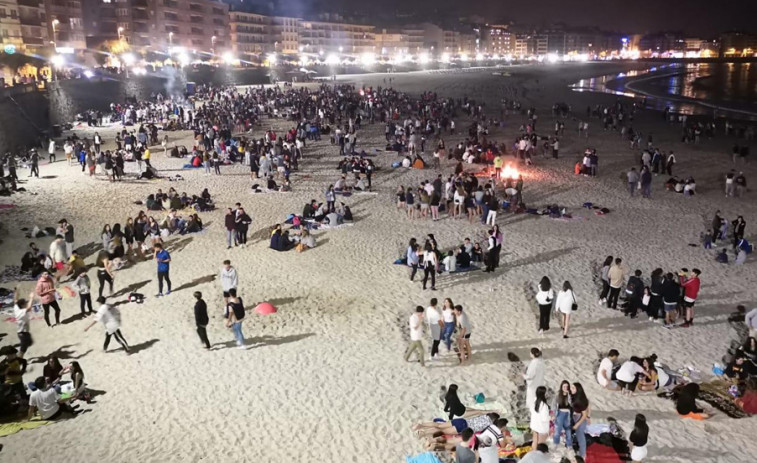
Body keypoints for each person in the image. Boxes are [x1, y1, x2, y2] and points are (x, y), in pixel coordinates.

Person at [571, 382, 590, 459]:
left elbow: (584, 414)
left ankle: (583, 454)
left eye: (573, 388)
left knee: (580, 436)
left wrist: (577, 424)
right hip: (574, 416)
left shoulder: (581, 401)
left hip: (580, 418)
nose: (571, 389)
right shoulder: (574, 396)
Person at [13, 290, 35, 356]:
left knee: (30, 342)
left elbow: (15, 300)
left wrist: (16, 293)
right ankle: (18, 358)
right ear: (22, 305)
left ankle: (19, 354)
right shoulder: (21, 312)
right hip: (22, 333)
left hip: (25, 332)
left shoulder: (16, 307)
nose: (26, 303)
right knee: (23, 350)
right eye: (25, 303)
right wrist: (31, 297)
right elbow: (29, 308)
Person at [552, 380, 573, 449]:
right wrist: (554, 415)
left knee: (568, 430)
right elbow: (554, 405)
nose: (565, 388)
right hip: (560, 413)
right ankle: (556, 443)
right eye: (564, 386)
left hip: (567, 413)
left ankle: (569, 444)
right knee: (558, 429)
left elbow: (571, 404)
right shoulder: (558, 395)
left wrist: (569, 395)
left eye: (567, 387)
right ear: (561, 387)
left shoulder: (570, 395)